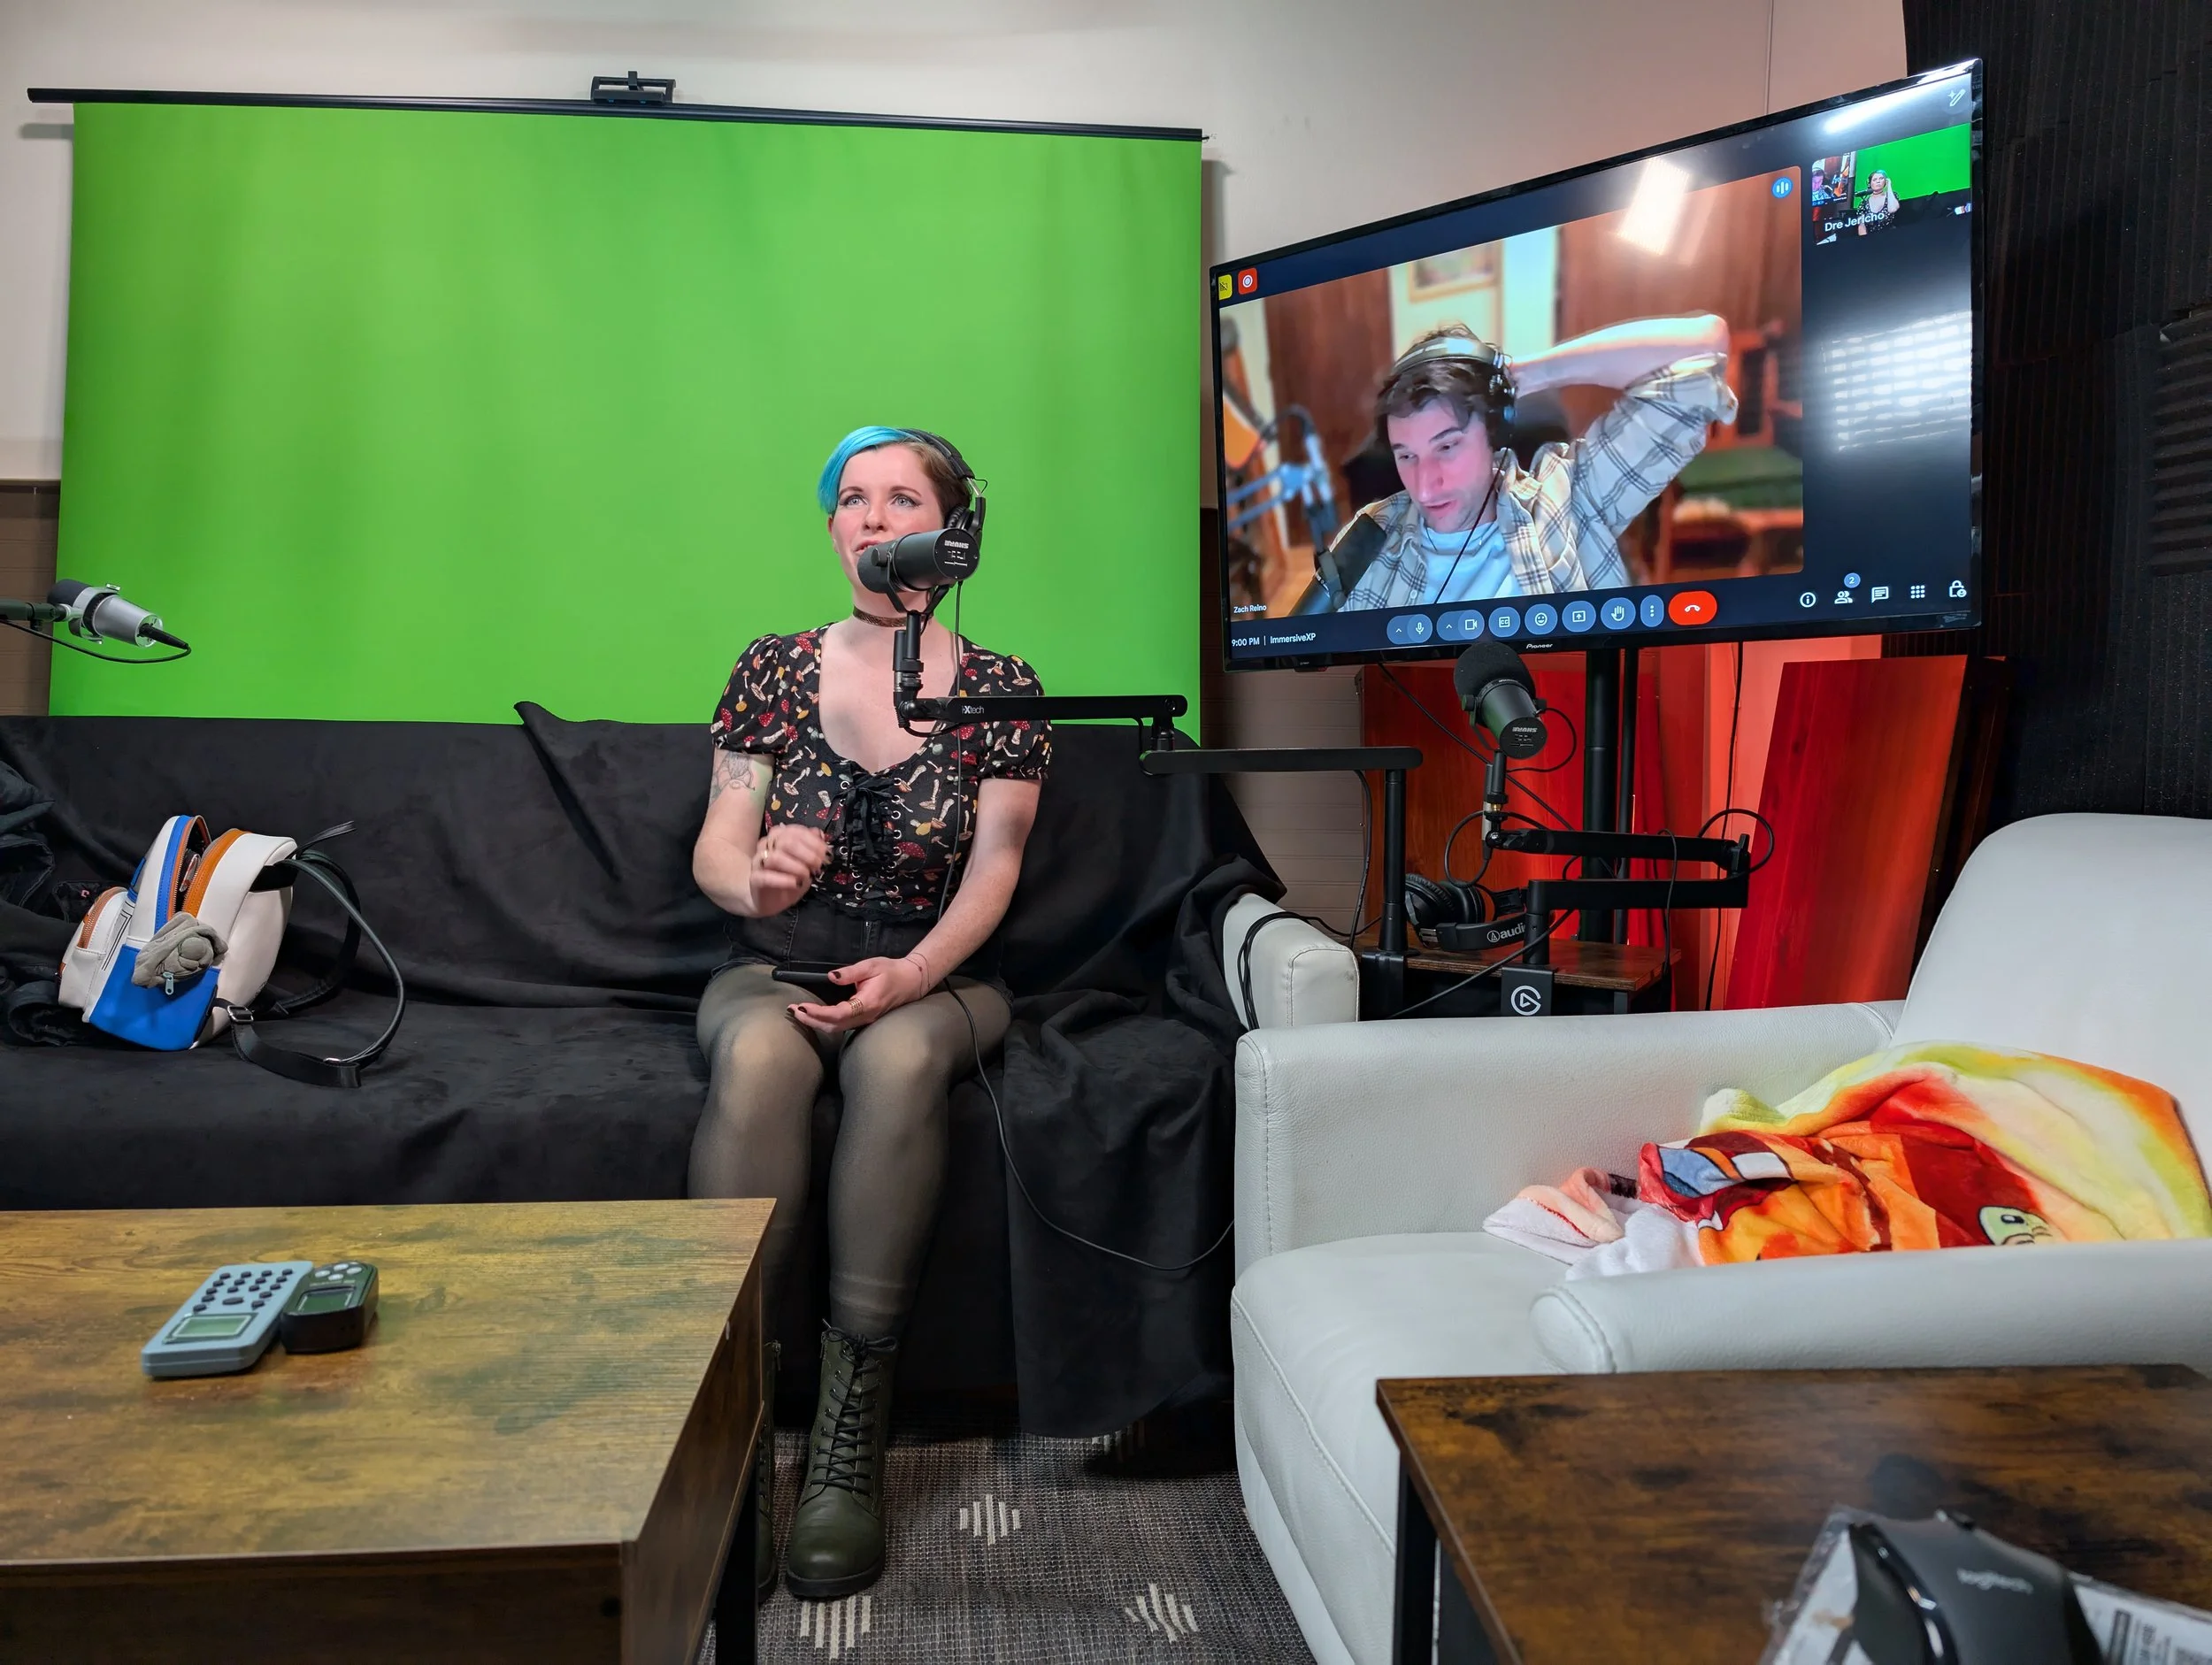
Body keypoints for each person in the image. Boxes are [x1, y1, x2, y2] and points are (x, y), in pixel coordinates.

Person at [689, 426, 1050, 1601]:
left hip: (938, 973)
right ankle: (728, 1440)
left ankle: (848, 1446)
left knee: (896, 1064)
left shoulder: (1002, 689)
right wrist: (756, 879)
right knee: (759, 1059)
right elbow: (718, 845)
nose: (873, 518)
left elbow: (994, 868)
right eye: (852, 499)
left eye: (901, 497)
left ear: (952, 529)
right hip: (779, 963)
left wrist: (914, 969)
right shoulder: (772, 665)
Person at [1299, 318, 1738, 610]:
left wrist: (1529, 375)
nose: (1425, 488)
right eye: (1406, 456)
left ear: (1494, 431)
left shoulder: (1568, 498)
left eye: (1447, 447)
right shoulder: (1372, 536)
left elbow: (1703, 347)